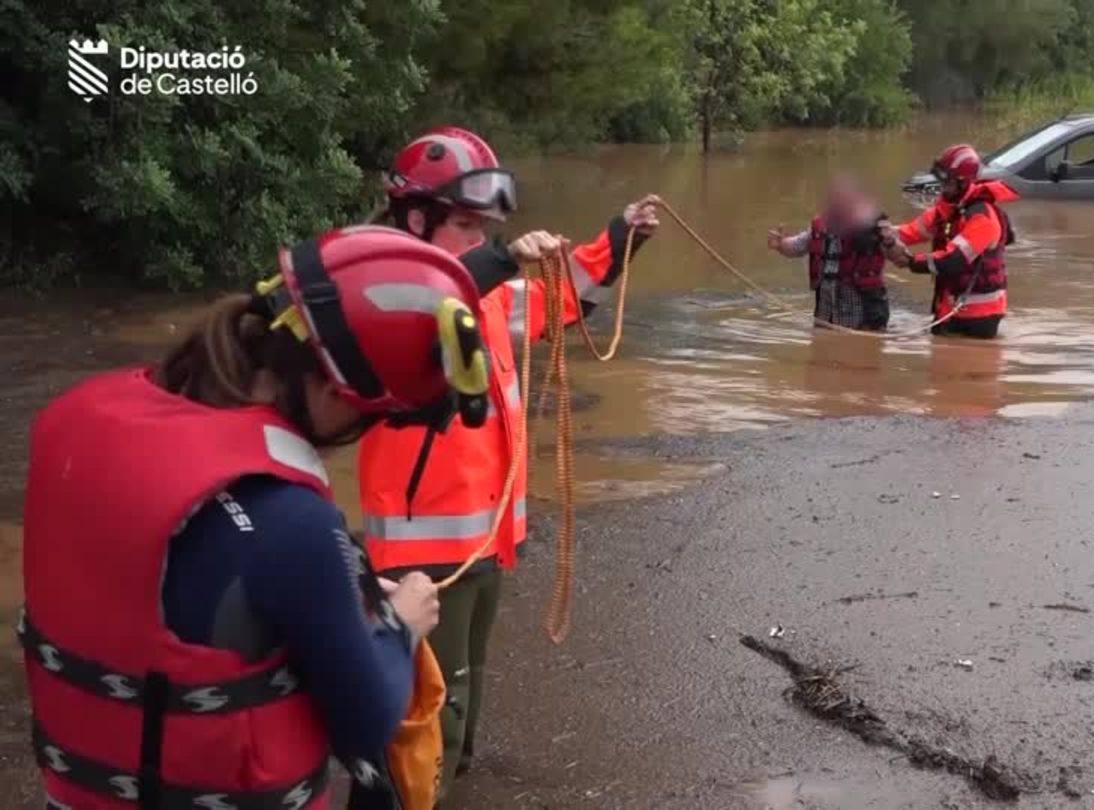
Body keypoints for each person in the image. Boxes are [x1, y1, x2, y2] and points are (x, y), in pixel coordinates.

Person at [19, 225, 536, 809]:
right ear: (339, 395)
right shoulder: (292, 523)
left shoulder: (72, 420)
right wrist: (400, 623)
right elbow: (367, 724)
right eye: (377, 418)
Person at [358, 125, 660, 802]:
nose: (476, 238)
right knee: (429, 702)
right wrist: (497, 256)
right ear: (415, 217)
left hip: (484, 538)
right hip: (426, 550)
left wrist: (621, 239)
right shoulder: (387, 291)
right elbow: (428, 306)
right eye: (464, 224)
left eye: (483, 227)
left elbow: (558, 300)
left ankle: (444, 783)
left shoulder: (484, 292)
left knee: (466, 685)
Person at [885, 143, 1019, 339]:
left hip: (979, 316)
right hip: (950, 305)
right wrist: (881, 233)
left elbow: (953, 259)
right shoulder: (947, 209)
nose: (942, 188)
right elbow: (911, 231)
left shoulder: (982, 217)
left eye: (947, 183)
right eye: (941, 181)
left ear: (963, 183)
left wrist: (911, 262)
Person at [767, 174, 892, 331]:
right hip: (826, 307)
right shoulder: (821, 224)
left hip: (862, 307)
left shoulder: (873, 226)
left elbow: (898, 253)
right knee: (823, 349)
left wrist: (889, 241)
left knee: (863, 348)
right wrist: (781, 244)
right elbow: (798, 246)